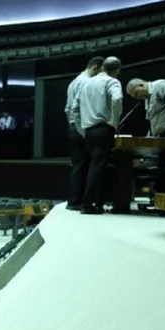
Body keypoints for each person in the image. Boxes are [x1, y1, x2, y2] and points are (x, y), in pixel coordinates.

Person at [71, 57, 123, 214]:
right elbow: (117, 99)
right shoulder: (112, 81)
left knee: (93, 166)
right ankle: (88, 204)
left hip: (88, 131)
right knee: (98, 167)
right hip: (103, 128)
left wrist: (82, 130)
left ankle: (96, 203)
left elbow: (74, 109)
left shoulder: (86, 82)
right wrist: (114, 121)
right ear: (117, 71)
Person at [64, 56, 105, 210]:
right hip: (82, 127)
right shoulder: (86, 83)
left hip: (73, 127)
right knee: (85, 166)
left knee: (78, 165)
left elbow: (67, 109)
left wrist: (73, 125)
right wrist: (83, 130)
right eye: (101, 71)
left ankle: (74, 201)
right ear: (95, 68)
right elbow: (76, 108)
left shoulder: (73, 82)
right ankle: (79, 202)